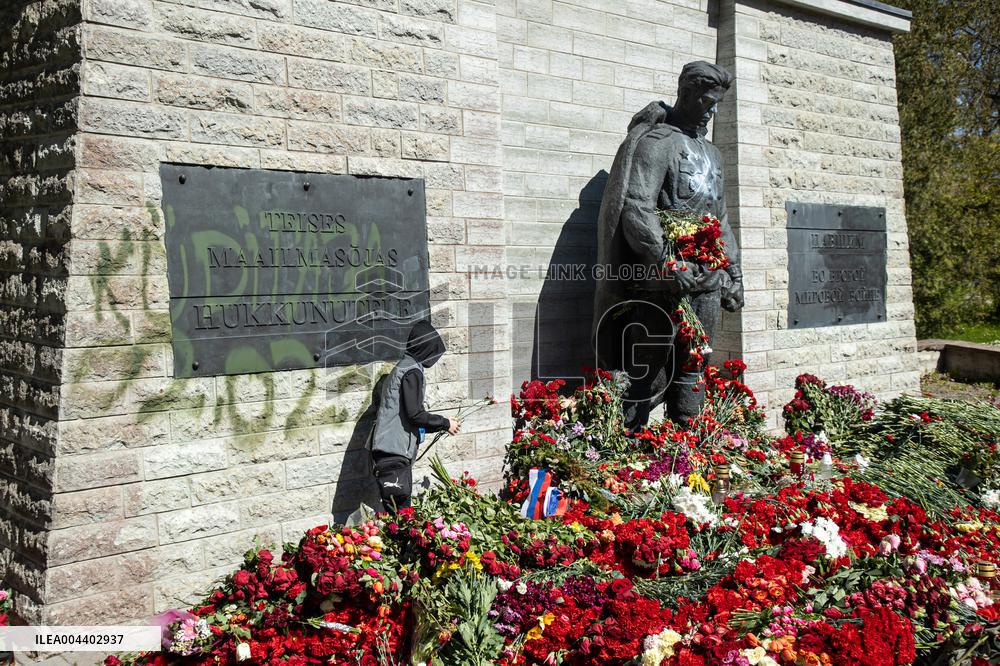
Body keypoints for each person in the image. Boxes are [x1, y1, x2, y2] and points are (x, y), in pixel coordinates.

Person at [592, 61, 745, 429]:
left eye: (717, 103)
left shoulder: (712, 154)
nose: (713, 111)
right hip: (659, 283)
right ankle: (629, 455)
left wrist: (735, 273)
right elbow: (636, 206)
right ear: (688, 94)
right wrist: (666, 260)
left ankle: (686, 454)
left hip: (707, 280)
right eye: (708, 101)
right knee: (645, 370)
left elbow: (719, 218)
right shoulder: (657, 143)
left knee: (693, 367)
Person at [370, 320, 460, 512]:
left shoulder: (403, 368)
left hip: (387, 449)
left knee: (395, 512)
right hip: (393, 451)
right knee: (400, 514)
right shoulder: (412, 372)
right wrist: (445, 423)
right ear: (425, 347)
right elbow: (415, 415)